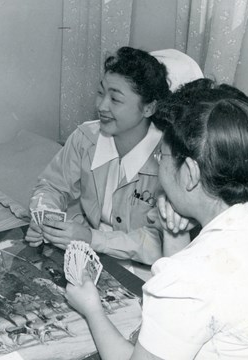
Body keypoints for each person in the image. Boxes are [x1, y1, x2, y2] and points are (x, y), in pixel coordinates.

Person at [65, 79, 248, 359]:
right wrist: (174, 231)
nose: (158, 166)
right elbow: (190, 298)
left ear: (190, 173)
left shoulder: (189, 278)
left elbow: (187, 285)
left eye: (161, 157)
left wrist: (92, 310)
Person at [25, 47, 199, 269]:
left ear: (149, 108)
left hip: (144, 268)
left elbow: (162, 242)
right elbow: (51, 186)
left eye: (115, 99)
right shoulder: (84, 138)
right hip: (89, 251)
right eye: (100, 93)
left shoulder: (168, 160)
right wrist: (46, 218)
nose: (101, 106)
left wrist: (92, 238)